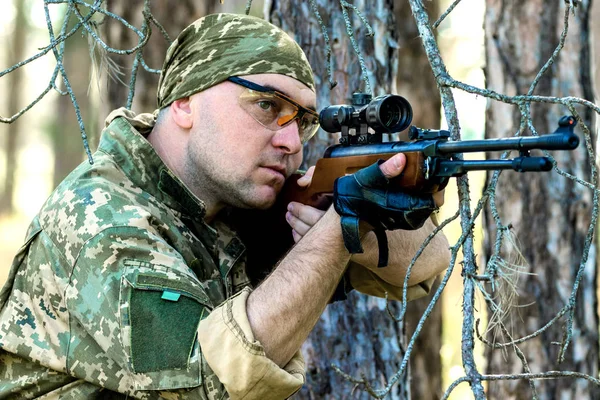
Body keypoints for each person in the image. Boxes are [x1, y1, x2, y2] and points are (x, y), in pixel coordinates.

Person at [0, 13, 450, 400]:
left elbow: (430, 261)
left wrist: (360, 232)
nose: (291, 142)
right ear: (183, 102)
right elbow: (215, 380)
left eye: (306, 123)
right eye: (267, 106)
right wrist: (337, 232)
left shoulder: (238, 203)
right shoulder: (101, 220)